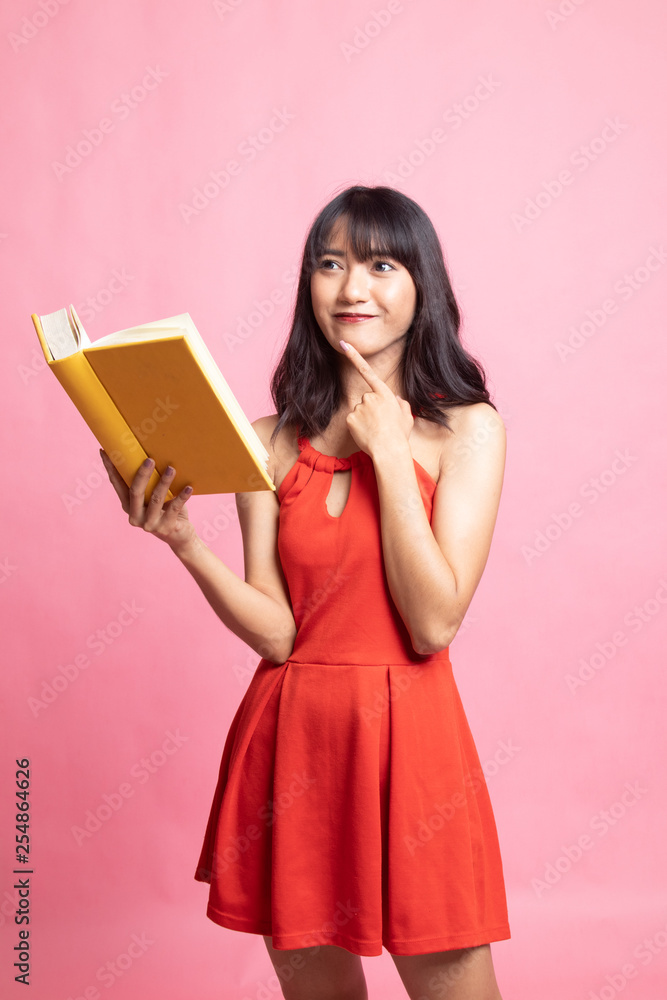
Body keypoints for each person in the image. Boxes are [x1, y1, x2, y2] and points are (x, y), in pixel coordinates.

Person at [101, 185, 510, 1000]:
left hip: (411, 752)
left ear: (421, 284)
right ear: (307, 287)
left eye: (380, 264)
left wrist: (389, 454)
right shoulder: (266, 442)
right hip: (292, 750)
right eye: (330, 264)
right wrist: (183, 541)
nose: (352, 287)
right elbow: (279, 634)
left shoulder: (466, 431)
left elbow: (433, 622)